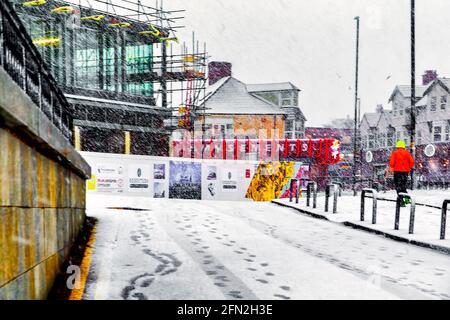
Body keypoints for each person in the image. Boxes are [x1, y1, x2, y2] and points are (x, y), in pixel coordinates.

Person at [386, 140, 415, 205]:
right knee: (403, 186)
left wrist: (395, 166)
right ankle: (407, 199)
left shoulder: (395, 153)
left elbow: (391, 164)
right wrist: (408, 168)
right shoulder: (407, 153)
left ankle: (402, 201)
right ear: (403, 146)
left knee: (398, 187)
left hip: (397, 172)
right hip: (405, 173)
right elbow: (412, 162)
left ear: (397, 146)